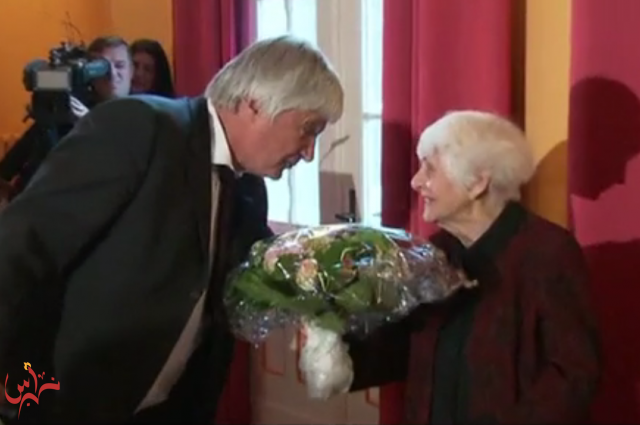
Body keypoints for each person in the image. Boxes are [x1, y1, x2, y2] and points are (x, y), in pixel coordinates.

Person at [0, 35, 343, 424]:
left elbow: (258, 272)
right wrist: (21, 397)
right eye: (308, 129)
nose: (310, 152)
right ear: (256, 103)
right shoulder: (140, 128)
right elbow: (20, 247)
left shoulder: (247, 184)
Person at [341, 111, 602, 424]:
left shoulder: (548, 252)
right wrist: (337, 335)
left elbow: (573, 375)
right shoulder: (436, 251)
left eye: (430, 168)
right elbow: (403, 350)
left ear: (478, 182)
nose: (416, 181)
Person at [0, 36, 133, 201]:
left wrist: (90, 126)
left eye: (120, 66)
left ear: (131, 71)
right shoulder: (66, 114)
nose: (113, 75)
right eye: (102, 68)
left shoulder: (143, 114)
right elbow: (8, 170)